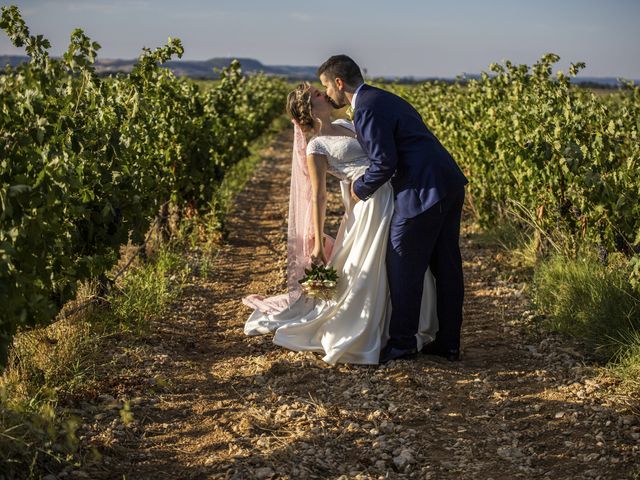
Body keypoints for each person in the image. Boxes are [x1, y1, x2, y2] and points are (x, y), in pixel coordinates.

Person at [242, 82, 437, 365]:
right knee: (372, 264)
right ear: (308, 109)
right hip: (368, 205)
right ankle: (367, 330)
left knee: (401, 258)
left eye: (321, 90)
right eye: (317, 94)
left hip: (392, 192)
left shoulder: (348, 123)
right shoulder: (316, 146)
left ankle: (405, 328)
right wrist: (319, 240)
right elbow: (318, 196)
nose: (324, 94)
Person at [318, 55, 468, 363]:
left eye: (326, 87)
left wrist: (358, 191)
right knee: (446, 267)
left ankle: (402, 344)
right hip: (447, 182)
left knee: (402, 264)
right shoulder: (382, 98)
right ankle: (449, 343)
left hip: (421, 191)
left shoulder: (367, 108)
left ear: (339, 83)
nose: (328, 95)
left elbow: (385, 162)